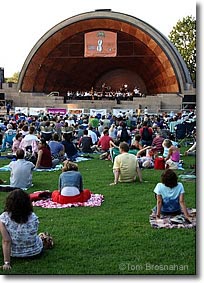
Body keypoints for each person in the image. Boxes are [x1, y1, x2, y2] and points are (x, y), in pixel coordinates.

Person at [0, 189, 44, 270]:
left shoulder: (3, 218)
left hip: (14, 254)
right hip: (35, 252)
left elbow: (6, 241)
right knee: (41, 236)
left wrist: (7, 263)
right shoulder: (32, 216)